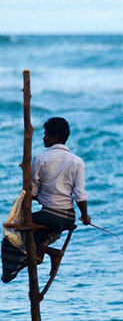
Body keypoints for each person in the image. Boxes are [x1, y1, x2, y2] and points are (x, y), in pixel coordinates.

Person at [2, 117, 90, 283]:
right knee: (44, 230)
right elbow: (79, 194)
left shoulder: (41, 159)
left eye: (46, 135)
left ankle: (9, 273)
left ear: (55, 137)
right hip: (67, 217)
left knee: (12, 237)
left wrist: (34, 196)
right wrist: (85, 216)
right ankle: (49, 250)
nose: (43, 138)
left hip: (48, 215)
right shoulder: (77, 161)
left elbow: (32, 190)